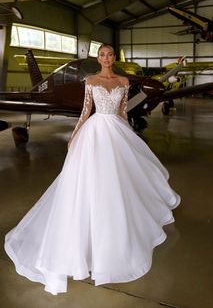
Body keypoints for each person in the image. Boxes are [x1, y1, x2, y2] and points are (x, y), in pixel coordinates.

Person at [4, 44, 180, 295]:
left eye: (110, 55)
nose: (106, 58)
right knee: (88, 180)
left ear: (112, 58)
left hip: (116, 131)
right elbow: (86, 111)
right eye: (102, 55)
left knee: (117, 180)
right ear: (98, 58)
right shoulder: (90, 80)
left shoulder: (123, 81)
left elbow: (121, 112)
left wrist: (129, 138)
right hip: (93, 131)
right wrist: (74, 137)